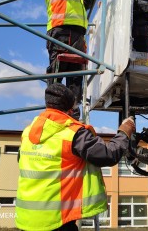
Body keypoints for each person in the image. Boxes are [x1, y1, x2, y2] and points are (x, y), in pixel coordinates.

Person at [15, 83, 136, 231]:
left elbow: (23, 161)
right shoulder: (73, 134)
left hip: (26, 219)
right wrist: (124, 132)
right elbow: (108, 155)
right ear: (70, 107)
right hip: (57, 221)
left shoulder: (27, 132)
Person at [43, 0, 105, 119]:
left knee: (76, 78)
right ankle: (54, 115)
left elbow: (82, 6)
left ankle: (73, 117)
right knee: (57, 76)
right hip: (61, 31)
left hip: (76, 34)